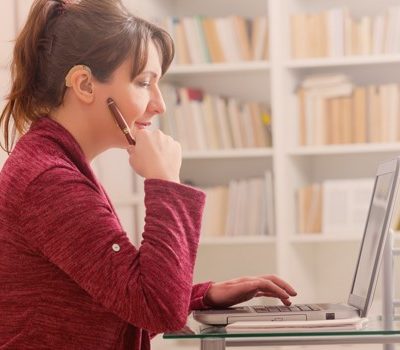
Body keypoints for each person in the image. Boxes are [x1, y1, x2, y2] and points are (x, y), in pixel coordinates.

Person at [0, 0, 297, 349]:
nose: (159, 104)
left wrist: (203, 295)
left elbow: (124, 296)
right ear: (84, 85)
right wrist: (165, 183)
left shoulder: (54, 164)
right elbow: (157, 310)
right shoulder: (49, 180)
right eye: (144, 83)